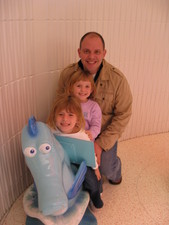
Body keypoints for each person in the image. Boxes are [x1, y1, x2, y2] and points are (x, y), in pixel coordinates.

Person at [57, 31, 133, 185]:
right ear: (79, 52)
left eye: (97, 52)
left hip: (104, 133)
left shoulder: (117, 79)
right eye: (86, 51)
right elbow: (59, 105)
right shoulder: (67, 75)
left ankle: (114, 168)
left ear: (104, 53)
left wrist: (100, 144)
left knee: (105, 168)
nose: (91, 57)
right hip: (75, 133)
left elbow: (123, 114)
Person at [47, 94, 103, 209]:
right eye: (61, 114)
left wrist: (96, 168)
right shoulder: (52, 131)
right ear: (54, 116)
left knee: (91, 181)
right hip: (62, 161)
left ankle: (95, 196)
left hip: (81, 162)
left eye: (70, 115)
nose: (65, 119)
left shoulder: (82, 135)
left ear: (77, 118)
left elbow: (90, 153)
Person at [66, 70, 102, 141]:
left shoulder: (94, 106)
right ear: (71, 88)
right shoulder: (67, 103)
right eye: (79, 86)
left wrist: (90, 133)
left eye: (87, 86)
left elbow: (96, 126)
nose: (83, 90)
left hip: (86, 140)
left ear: (91, 89)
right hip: (69, 138)